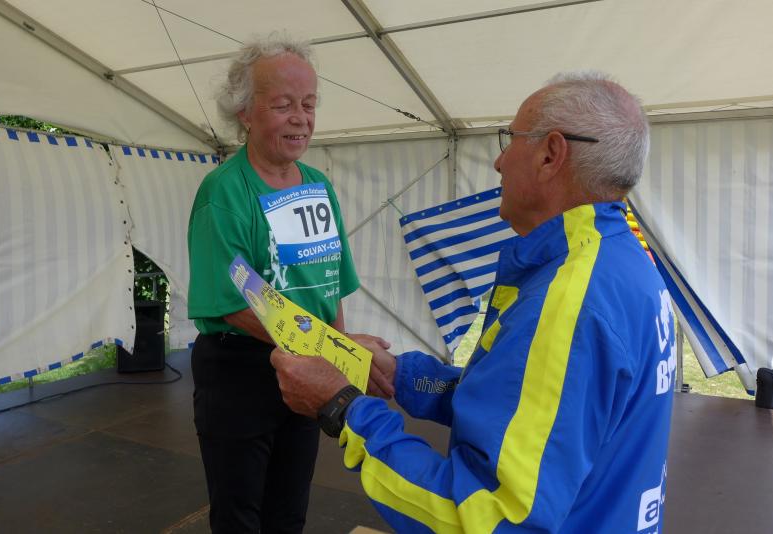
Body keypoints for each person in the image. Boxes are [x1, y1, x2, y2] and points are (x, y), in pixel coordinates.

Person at [270, 72, 677, 533]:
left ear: (550, 154)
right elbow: (527, 409)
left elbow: (480, 520)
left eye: (510, 139)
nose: (499, 162)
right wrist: (401, 375)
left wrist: (343, 408)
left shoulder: (568, 303)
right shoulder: (621, 262)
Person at [186, 36, 368, 533]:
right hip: (241, 369)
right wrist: (328, 349)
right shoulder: (224, 192)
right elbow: (234, 303)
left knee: (289, 510)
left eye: (309, 104)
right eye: (284, 104)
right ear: (245, 112)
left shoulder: (318, 185)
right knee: (240, 515)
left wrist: (336, 353)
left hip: (307, 362)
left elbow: (332, 283)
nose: (300, 118)